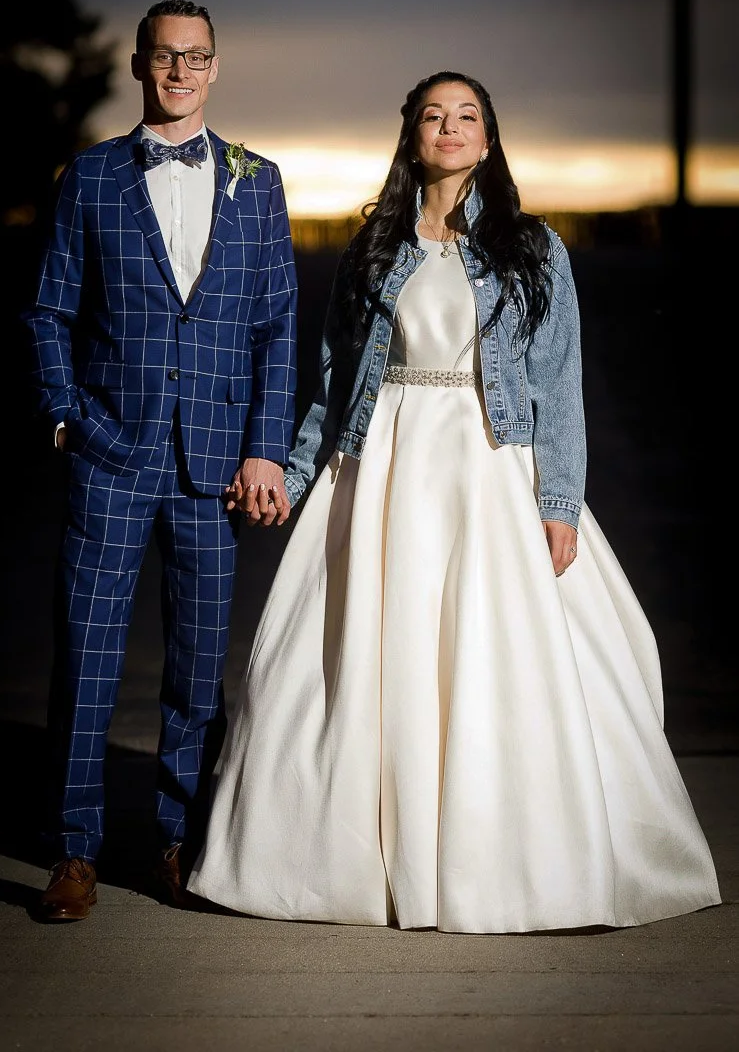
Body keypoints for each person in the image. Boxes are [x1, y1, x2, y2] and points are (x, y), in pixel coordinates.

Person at [186, 70, 721, 933]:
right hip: (384, 467)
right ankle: (354, 863)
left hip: (485, 465)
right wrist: (290, 470)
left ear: (489, 137)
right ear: (411, 136)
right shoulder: (371, 251)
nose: (450, 127)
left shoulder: (533, 248)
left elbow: (556, 385)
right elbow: (332, 383)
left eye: (467, 115)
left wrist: (558, 500)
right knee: (362, 653)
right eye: (434, 115)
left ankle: (502, 864)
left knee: (487, 652)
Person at [22, 0, 298, 922]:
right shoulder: (91, 177)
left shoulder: (257, 180)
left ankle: (182, 845)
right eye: (163, 57)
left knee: (195, 667)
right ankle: (73, 852)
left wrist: (266, 448)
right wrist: (67, 419)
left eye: (196, 57)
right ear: (141, 66)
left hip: (214, 464)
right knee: (88, 658)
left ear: (214, 67)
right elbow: (49, 312)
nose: (179, 72)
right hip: (110, 452)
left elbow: (276, 328)